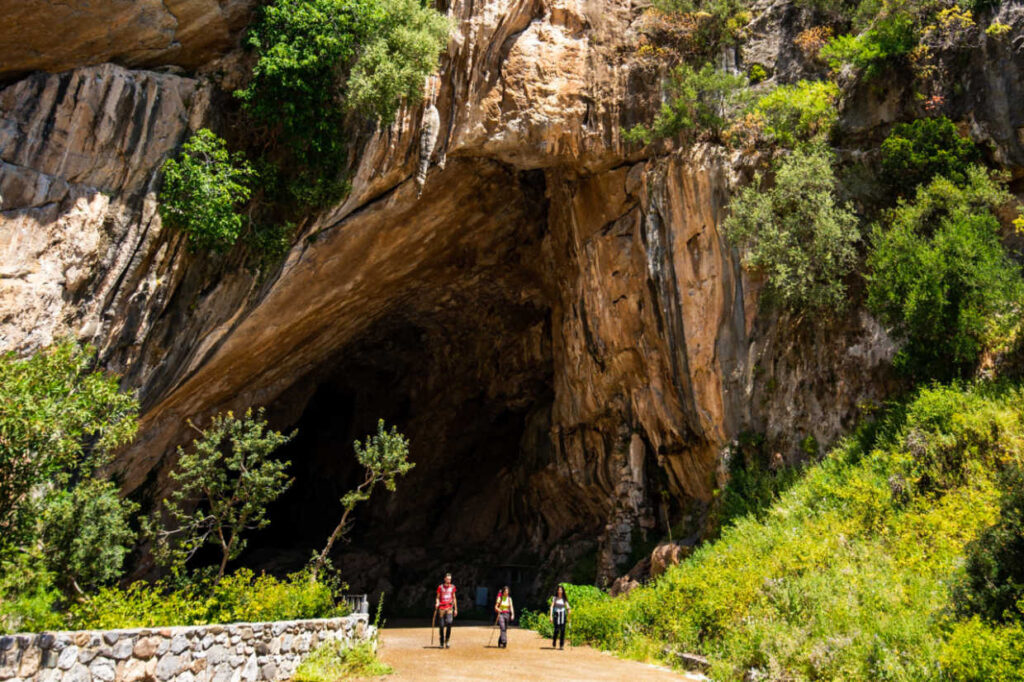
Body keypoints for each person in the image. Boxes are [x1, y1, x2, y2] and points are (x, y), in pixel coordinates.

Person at [435, 572, 458, 648]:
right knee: (441, 626)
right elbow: (438, 597)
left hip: (449, 608)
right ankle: (441, 641)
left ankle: (447, 640)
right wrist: (437, 603)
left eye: (450, 579)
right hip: (441, 608)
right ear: (444, 579)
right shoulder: (440, 587)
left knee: (449, 622)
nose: (449, 580)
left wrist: (455, 609)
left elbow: (454, 598)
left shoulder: (452, 587)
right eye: (448, 579)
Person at [549, 585, 571, 649]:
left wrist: (569, 610)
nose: (560, 591)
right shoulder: (555, 598)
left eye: (561, 590)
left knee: (563, 630)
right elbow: (551, 607)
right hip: (556, 614)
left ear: (562, 591)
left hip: (563, 614)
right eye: (559, 590)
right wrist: (551, 616)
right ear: (557, 591)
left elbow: (567, 606)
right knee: (556, 630)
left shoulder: (564, 599)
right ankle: (554, 642)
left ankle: (561, 645)